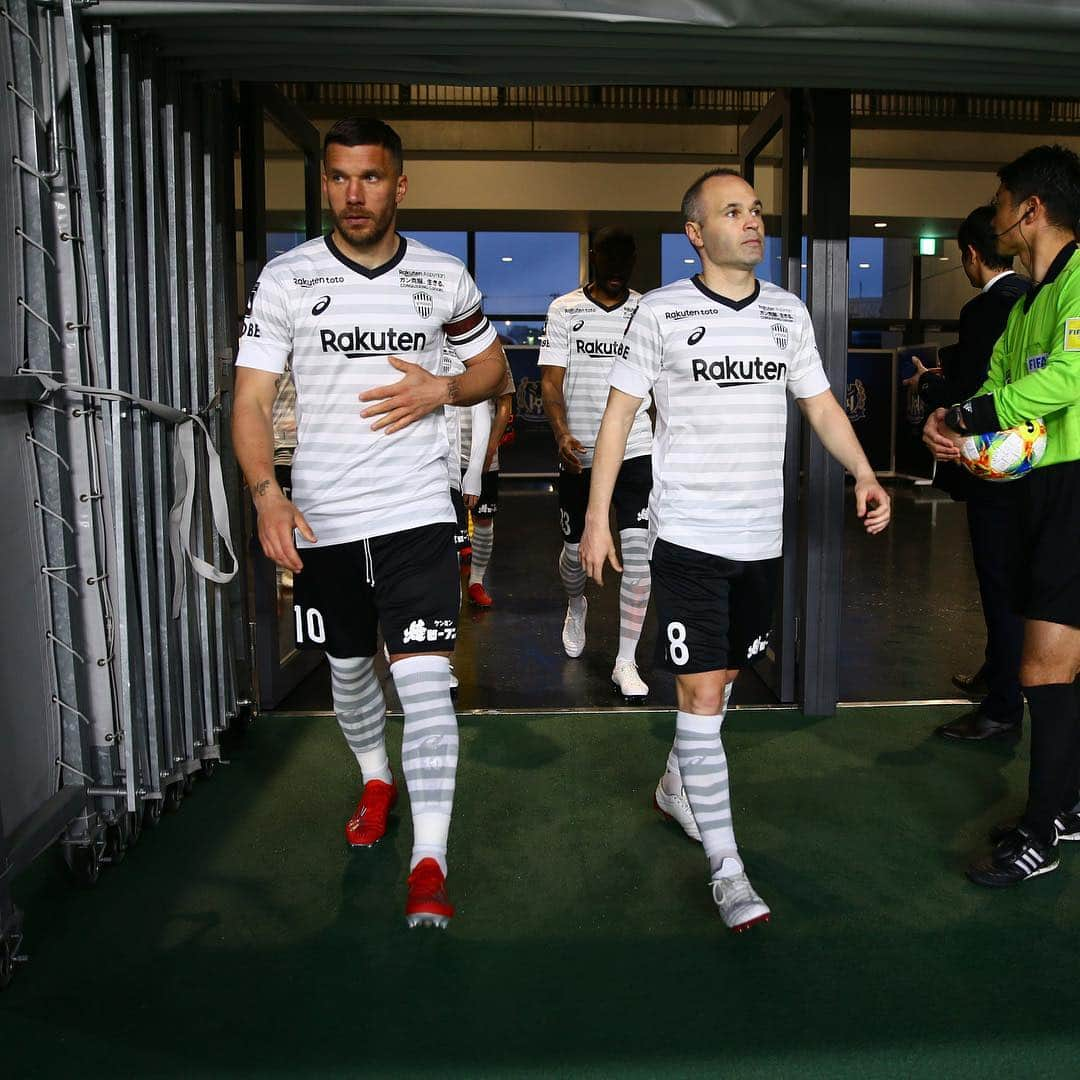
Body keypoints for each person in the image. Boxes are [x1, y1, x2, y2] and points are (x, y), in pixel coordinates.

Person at [580, 169, 891, 931]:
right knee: (702, 693)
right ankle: (727, 869)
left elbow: (818, 402)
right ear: (696, 233)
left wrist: (863, 471)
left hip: (762, 542)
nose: (752, 221)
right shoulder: (659, 313)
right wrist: (596, 515)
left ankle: (673, 785)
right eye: (732, 211)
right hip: (687, 537)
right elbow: (620, 418)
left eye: (755, 210)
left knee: (717, 681)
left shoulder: (786, 314)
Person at [232, 117, 507, 927]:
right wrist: (264, 493)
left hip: (416, 515)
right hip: (321, 521)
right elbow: (249, 397)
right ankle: (374, 777)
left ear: (400, 183)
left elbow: (491, 367)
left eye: (372, 178)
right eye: (341, 178)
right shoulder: (287, 279)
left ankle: (429, 863)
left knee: (424, 685)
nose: (355, 194)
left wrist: (444, 389)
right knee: (349, 675)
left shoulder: (442, 276)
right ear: (325, 182)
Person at [924, 144, 1080, 887]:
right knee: (1061, 661)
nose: (994, 220)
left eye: (1000, 204)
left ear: (1031, 209)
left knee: (1044, 663)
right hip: (1040, 494)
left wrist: (968, 414)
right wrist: (954, 430)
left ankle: (1041, 832)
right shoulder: (1028, 303)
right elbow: (995, 380)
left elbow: (1067, 377)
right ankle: (1067, 804)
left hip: (1076, 492)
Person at [915, 205, 1031, 740]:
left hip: (996, 466)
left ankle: (1004, 703)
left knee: (999, 582)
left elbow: (976, 385)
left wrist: (935, 394)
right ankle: (999, 673)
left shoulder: (987, 307)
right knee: (1014, 580)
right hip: (1034, 463)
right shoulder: (1032, 297)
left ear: (970, 255)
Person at [540, 227, 653, 699]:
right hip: (581, 451)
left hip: (635, 448)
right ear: (593, 257)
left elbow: (659, 384)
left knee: (640, 560)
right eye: (608, 258)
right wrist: (562, 433)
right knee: (574, 556)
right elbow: (550, 382)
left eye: (624, 260)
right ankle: (576, 604)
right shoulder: (565, 309)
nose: (616, 269)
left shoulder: (646, 311)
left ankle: (625, 661)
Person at [459, 363, 515, 607]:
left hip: (484, 458)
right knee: (444, 525)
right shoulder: (437, 342)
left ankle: (476, 581)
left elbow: (505, 403)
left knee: (483, 519)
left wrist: (490, 448)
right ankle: (450, 586)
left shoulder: (492, 351)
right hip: (444, 455)